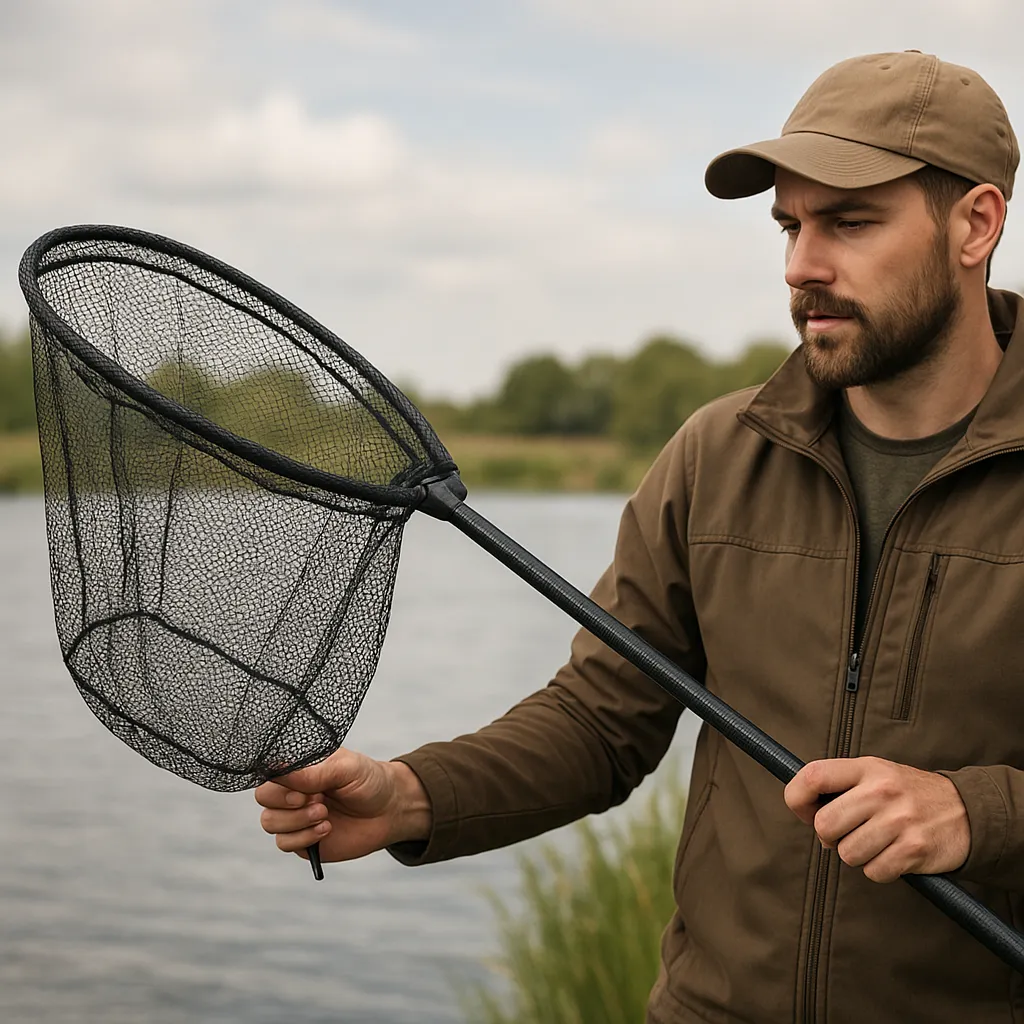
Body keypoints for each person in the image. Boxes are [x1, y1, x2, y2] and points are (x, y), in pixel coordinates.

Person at [256, 51, 1024, 1023]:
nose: (802, 264)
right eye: (790, 226)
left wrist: (979, 814)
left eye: (851, 222)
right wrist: (409, 795)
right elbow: (600, 720)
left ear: (975, 224)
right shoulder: (716, 455)